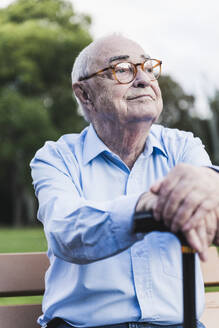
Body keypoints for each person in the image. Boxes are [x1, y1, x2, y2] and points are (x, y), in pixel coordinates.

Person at [30, 34, 219, 328]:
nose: (143, 79)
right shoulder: (56, 157)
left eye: (147, 67)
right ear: (84, 94)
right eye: (122, 70)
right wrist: (147, 207)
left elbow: (209, 198)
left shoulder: (183, 146)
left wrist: (210, 186)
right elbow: (66, 230)